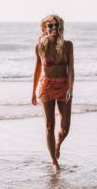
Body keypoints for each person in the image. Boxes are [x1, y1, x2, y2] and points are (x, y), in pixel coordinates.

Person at [32, 14, 74, 172]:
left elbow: (71, 68)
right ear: (44, 28)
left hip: (64, 86)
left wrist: (71, 87)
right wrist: (33, 92)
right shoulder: (40, 47)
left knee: (65, 128)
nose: (54, 28)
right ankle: (54, 162)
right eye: (50, 26)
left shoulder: (68, 45)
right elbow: (37, 70)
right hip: (46, 86)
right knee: (50, 125)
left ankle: (58, 144)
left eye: (56, 25)